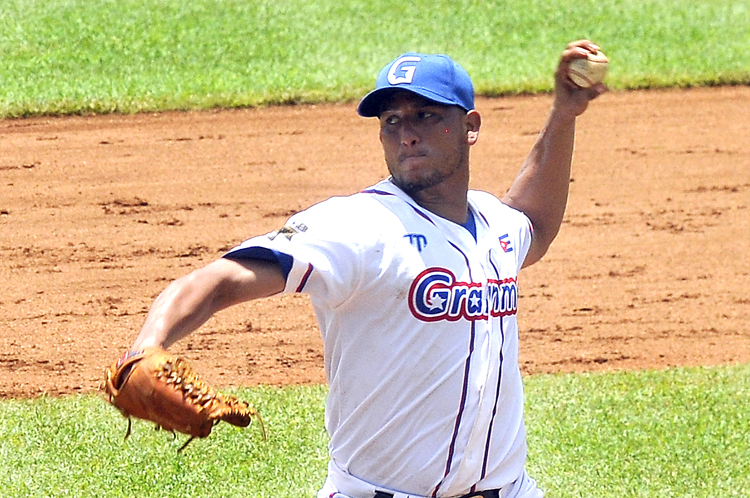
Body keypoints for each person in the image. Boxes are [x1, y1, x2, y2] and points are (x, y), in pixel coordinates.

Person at [130, 40, 606, 498]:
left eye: (426, 115)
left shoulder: (494, 224)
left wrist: (565, 113)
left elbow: (534, 222)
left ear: (469, 126)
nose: (407, 133)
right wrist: (148, 345)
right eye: (392, 120)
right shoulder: (356, 225)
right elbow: (220, 280)